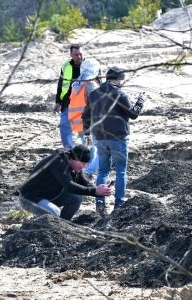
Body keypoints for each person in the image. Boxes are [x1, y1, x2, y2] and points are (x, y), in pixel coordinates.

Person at [82, 66, 146, 214]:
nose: (122, 82)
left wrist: (87, 134)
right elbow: (133, 114)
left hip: (99, 138)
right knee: (121, 172)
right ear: (117, 80)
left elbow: (86, 116)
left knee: (103, 171)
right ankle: (119, 204)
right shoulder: (120, 94)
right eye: (122, 79)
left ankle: (99, 202)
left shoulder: (93, 94)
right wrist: (141, 101)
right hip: (118, 139)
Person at [19, 144, 113, 221]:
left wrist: (98, 190)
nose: (85, 166)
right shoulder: (58, 162)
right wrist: (94, 191)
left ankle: (62, 227)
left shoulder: (72, 161)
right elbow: (69, 186)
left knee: (76, 199)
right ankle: (29, 228)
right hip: (30, 198)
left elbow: (83, 182)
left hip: (49, 195)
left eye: (87, 163)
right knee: (54, 212)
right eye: (83, 162)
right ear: (73, 158)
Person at [68, 58, 101, 182]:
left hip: (78, 121)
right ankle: (87, 173)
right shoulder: (90, 84)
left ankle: (82, 174)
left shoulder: (78, 83)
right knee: (94, 149)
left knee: (89, 147)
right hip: (90, 122)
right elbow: (99, 103)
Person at [52, 44, 85, 148]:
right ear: (71, 54)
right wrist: (58, 101)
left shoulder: (90, 66)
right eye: (76, 54)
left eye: (80, 54)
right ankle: (70, 154)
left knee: (84, 133)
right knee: (64, 127)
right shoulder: (66, 65)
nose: (79, 56)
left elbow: (98, 84)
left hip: (84, 104)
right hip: (68, 102)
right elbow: (61, 83)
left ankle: (89, 159)